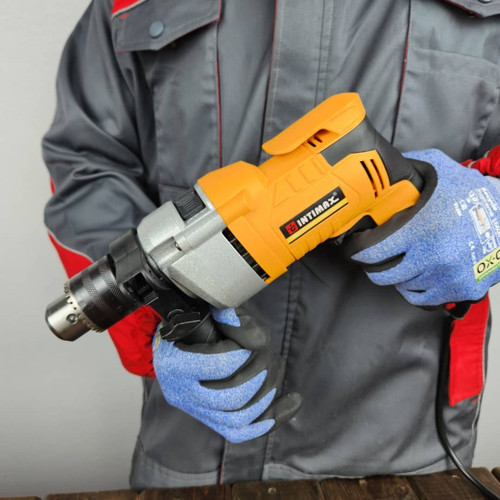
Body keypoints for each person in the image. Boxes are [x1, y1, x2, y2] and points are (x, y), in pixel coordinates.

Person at [43, 0, 500, 490]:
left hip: (410, 442)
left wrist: (491, 215)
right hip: (192, 444)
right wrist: (157, 327)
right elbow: (85, 160)